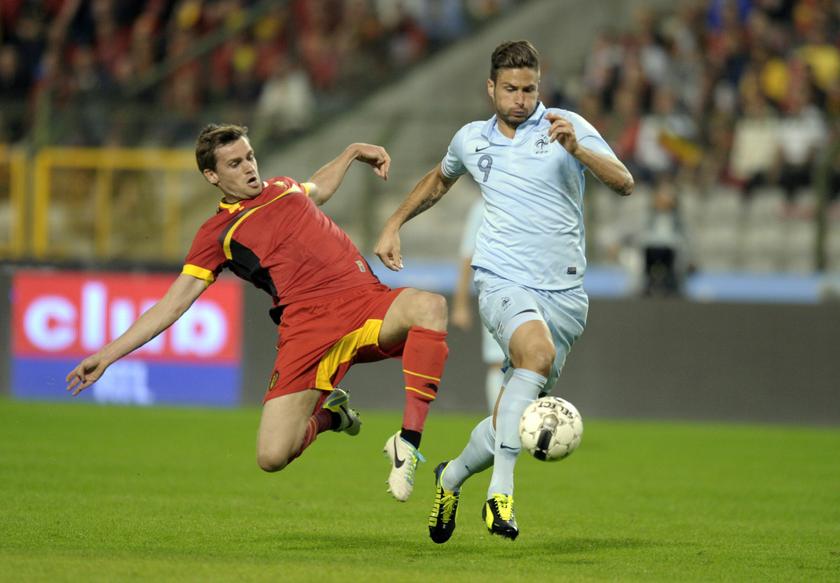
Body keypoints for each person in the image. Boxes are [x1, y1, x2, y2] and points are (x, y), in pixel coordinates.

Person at [66, 124, 450, 502]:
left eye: (249, 157)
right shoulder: (218, 234)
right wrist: (107, 355)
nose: (249, 168)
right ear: (211, 175)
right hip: (307, 332)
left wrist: (351, 152)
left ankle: (407, 443)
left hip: (365, 301)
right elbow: (172, 304)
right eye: (234, 164)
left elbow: (320, 188)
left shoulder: (283, 187)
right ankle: (333, 416)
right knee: (271, 456)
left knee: (431, 307)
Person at [374, 40, 633, 541]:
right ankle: (500, 495)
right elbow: (438, 180)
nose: (520, 98)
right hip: (501, 278)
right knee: (535, 354)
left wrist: (578, 150)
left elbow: (624, 182)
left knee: (511, 416)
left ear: (541, 85)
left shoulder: (567, 126)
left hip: (564, 294)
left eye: (529, 88)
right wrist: (394, 222)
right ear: (491, 88)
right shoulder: (472, 140)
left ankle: (449, 477)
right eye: (510, 89)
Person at [451, 196, 505, 411]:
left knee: (533, 360)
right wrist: (460, 305)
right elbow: (468, 255)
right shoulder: (484, 206)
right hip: (495, 293)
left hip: (534, 290)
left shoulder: (533, 197)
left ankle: (528, 422)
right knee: (499, 361)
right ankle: (499, 425)